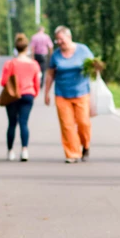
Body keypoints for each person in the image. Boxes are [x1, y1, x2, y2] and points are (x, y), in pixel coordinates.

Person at [44, 26, 94, 163]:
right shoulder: (56, 55)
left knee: (83, 122)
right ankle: (72, 153)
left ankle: (86, 145)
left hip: (81, 92)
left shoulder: (83, 50)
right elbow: (50, 74)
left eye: (61, 39)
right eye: (57, 40)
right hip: (61, 93)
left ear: (69, 37)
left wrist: (95, 67)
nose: (59, 42)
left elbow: (93, 66)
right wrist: (46, 93)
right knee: (67, 125)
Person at [0, 33, 41, 162]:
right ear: (26, 47)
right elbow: (37, 83)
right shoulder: (34, 64)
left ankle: (10, 151)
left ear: (16, 48)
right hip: (28, 95)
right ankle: (24, 150)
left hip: (13, 96)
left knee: (12, 123)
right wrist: (34, 94)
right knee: (24, 123)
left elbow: (3, 82)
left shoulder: (10, 64)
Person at [30, 26, 53, 90]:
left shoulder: (34, 37)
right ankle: (41, 83)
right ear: (43, 30)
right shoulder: (46, 37)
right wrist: (51, 55)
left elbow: (32, 47)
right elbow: (50, 46)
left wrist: (32, 56)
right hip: (44, 55)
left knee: (36, 69)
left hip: (36, 55)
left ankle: (36, 82)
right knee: (43, 70)